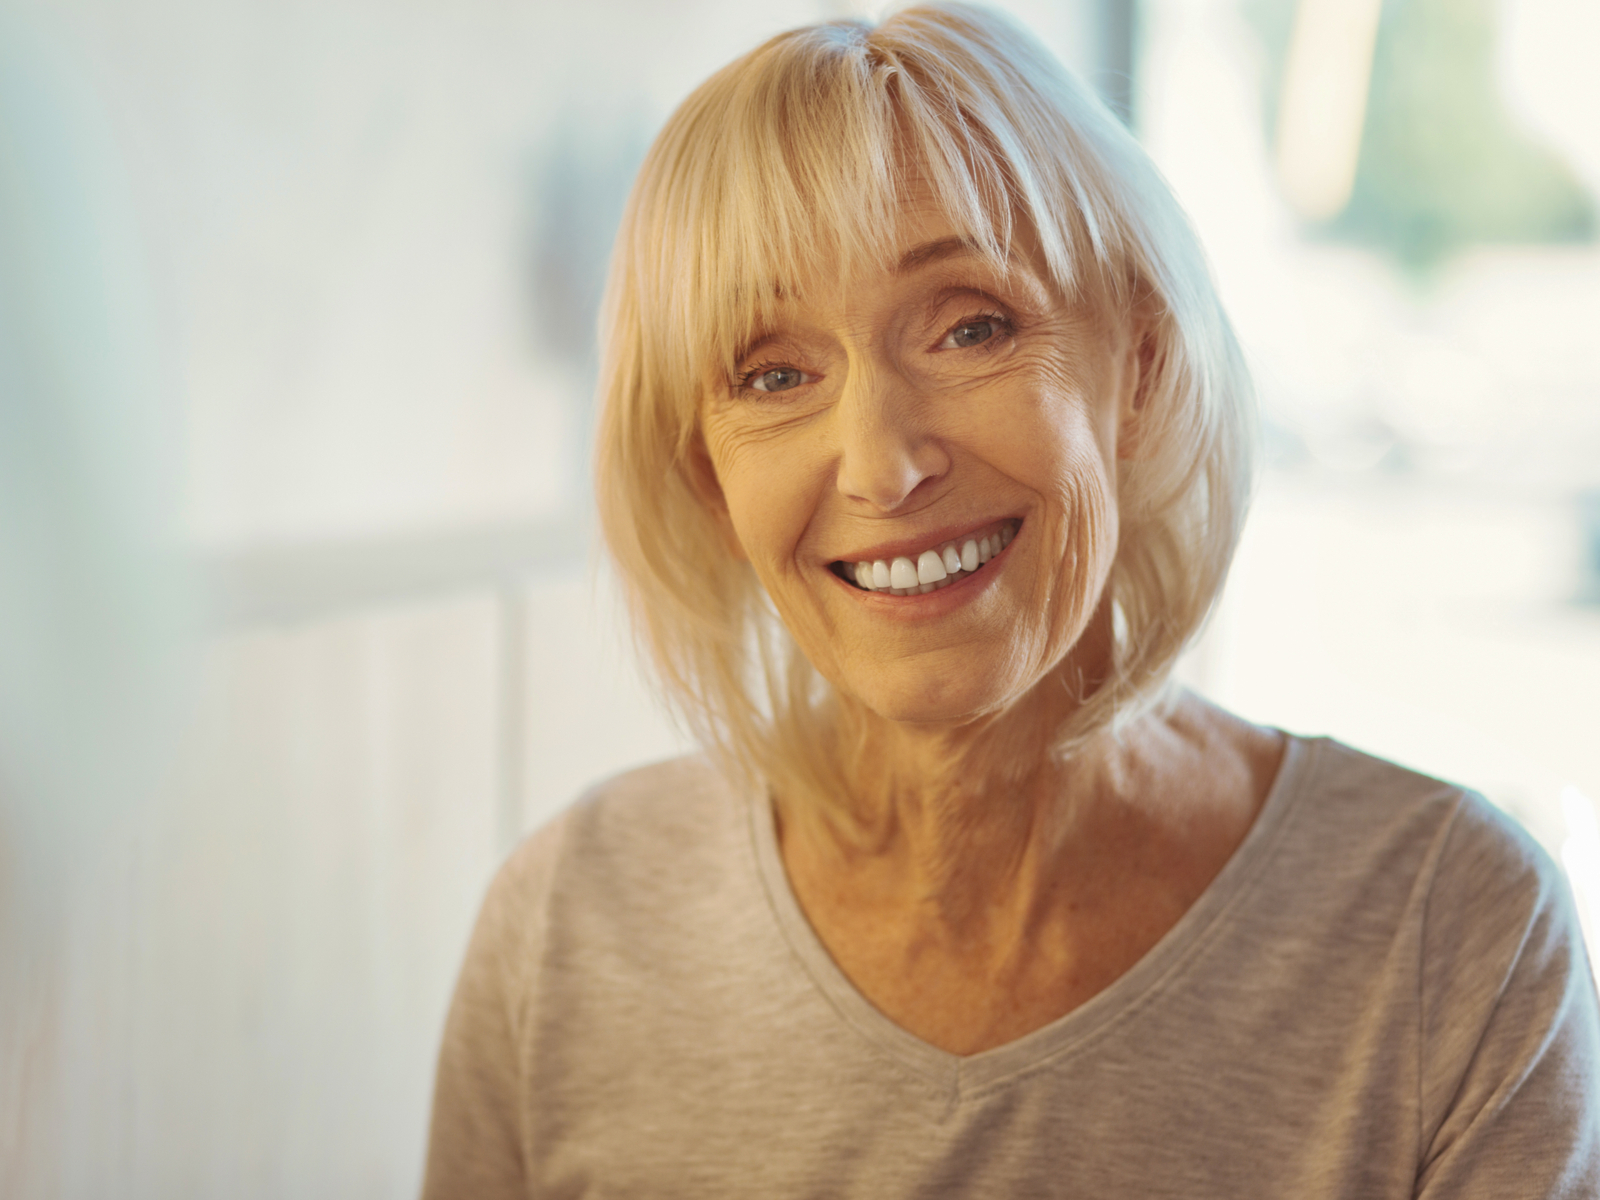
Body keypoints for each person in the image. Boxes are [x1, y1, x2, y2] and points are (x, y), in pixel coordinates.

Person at [421, 5, 1600, 1195]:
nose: (880, 464)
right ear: (709, 478)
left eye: (969, 327)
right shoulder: (565, 926)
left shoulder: (1455, 935)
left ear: (1138, 367)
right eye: (774, 373)